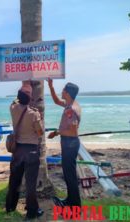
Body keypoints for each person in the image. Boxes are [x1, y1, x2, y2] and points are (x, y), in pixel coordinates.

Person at [5, 83, 44, 219]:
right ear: (29, 99)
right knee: (30, 184)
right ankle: (32, 212)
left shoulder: (13, 108)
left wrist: (20, 99)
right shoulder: (33, 114)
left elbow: (14, 102)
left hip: (18, 150)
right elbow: (40, 133)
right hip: (31, 150)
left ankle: (10, 206)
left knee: (14, 180)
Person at [47, 78, 82, 207]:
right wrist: (51, 86)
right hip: (69, 143)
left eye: (63, 90)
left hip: (70, 143)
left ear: (67, 93)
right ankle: (70, 201)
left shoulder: (71, 109)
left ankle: (75, 206)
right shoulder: (70, 104)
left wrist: (56, 133)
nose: (61, 91)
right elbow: (56, 101)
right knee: (68, 175)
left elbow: (73, 132)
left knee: (70, 176)